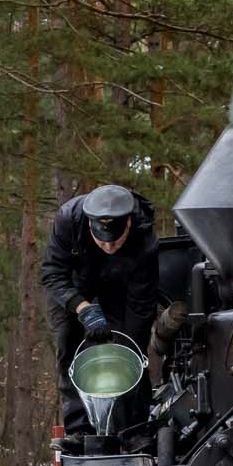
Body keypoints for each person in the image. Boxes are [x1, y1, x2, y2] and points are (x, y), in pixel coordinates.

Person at [38, 182, 162, 435]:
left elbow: (140, 304)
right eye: (101, 241)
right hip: (72, 285)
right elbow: (52, 273)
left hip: (119, 285)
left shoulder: (144, 236)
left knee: (131, 350)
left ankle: (134, 427)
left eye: (115, 243)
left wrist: (132, 346)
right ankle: (79, 429)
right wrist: (84, 309)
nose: (107, 247)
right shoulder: (68, 219)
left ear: (128, 224)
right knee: (68, 344)